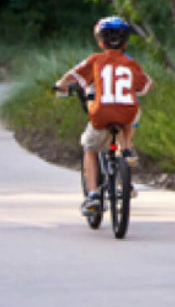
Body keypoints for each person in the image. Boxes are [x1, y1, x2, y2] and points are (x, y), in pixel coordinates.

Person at [55, 16, 152, 216]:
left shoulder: (95, 60)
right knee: (131, 115)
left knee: (89, 148)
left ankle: (92, 195)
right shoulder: (131, 63)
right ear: (126, 42)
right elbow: (145, 85)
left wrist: (60, 85)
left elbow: (72, 76)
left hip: (102, 113)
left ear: (100, 41)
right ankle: (126, 150)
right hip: (127, 112)